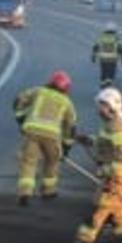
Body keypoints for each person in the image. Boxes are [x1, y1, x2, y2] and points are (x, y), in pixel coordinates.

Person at [73, 87, 122, 243]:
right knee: (116, 209)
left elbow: (119, 156)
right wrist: (88, 140)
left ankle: (84, 239)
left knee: (100, 207)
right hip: (114, 175)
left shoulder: (118, 127)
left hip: (116, 177)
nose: (99, 109)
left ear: (111, 106)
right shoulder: (110, 125)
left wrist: (107, 173)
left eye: (102, 105)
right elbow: (105, 144)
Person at [13, 70, 77, 205]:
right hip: (52, 136)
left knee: (29, 161)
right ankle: (48, 191)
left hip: (32, 131)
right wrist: (66, 147)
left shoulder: (38, 91)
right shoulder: (67, 102)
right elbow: (70, 126)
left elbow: (19, 99)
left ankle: (25, 192)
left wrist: (20, 118)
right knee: (52, 161)